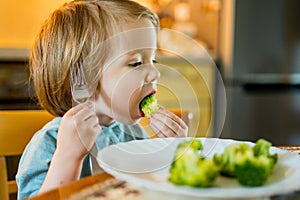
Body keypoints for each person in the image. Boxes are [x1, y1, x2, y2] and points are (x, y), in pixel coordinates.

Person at [16, 0, 188, 199]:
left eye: (153, 60)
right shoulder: (49, 144)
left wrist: (173, 154)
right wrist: (68, 157)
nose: (154, 73)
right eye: (136, 63)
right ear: (83, 80)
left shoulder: (132, 134)